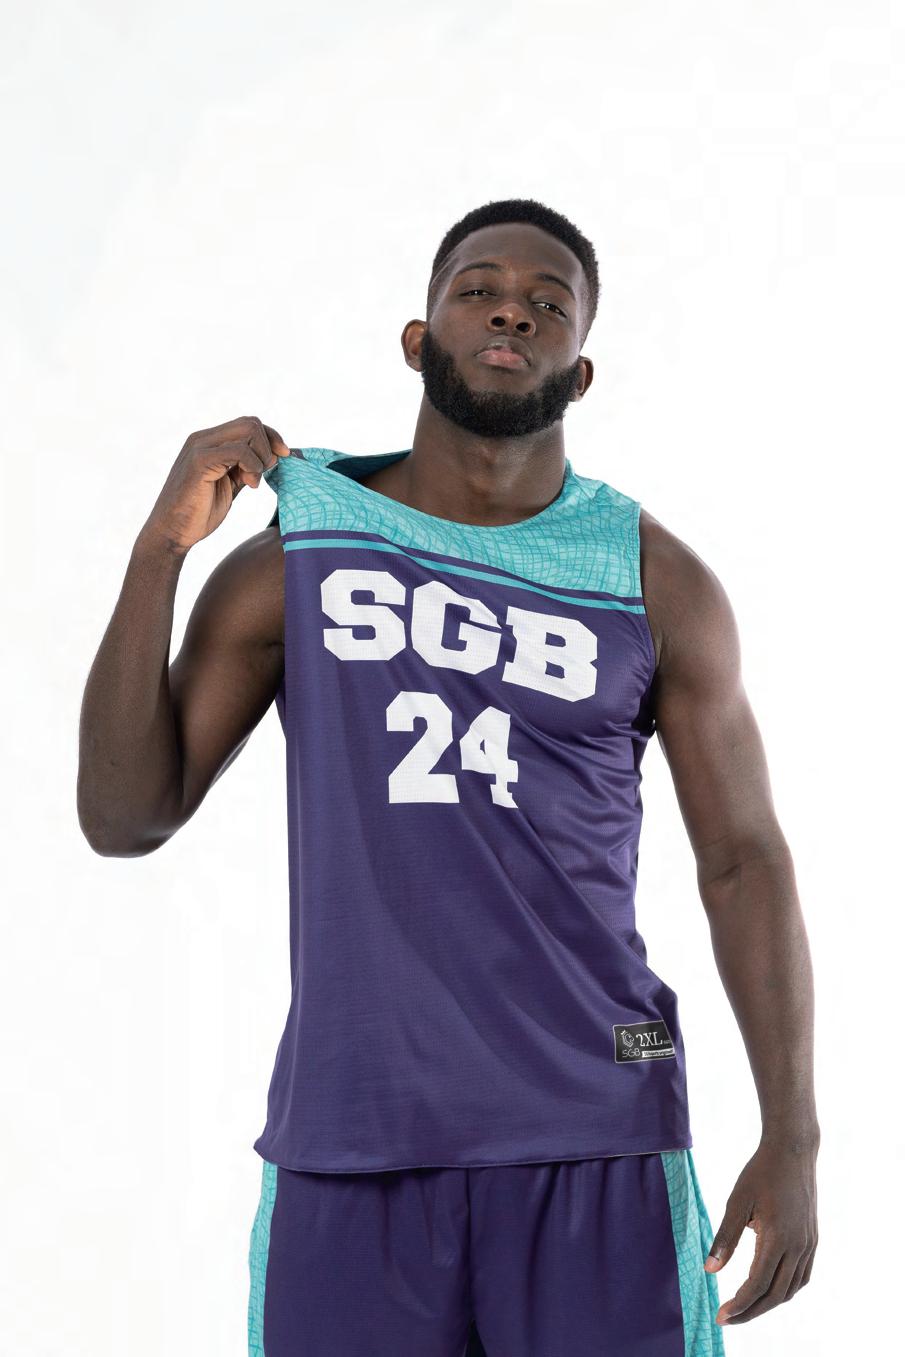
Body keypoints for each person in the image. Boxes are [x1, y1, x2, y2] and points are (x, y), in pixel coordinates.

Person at [78, 197, 819, 1356]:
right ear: (417, 340)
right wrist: (159, 551)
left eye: (546, 303)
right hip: (352, 1137)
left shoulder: (651, 577)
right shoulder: (301, 555)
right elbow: (126, 814)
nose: (510, 311)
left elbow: (742, 856)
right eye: (478, 290)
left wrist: (793, 1135)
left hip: (596, 1129)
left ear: (579, 372)